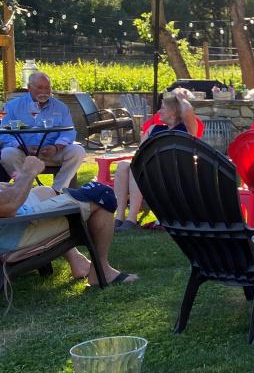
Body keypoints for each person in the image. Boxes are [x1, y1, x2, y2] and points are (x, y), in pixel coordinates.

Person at [1, 155, 137, 286]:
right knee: (101, 194)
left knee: (45, 192)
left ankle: (77, 261)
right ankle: (101, 271)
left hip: (8, 224)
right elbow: (8, 206)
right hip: (13, 234)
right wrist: (28, 172)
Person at [112, 93, 195, 230]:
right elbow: (139, 153)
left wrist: (180, 98)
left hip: (170, 175)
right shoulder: (153, 129)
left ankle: (131, 219)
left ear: (173, 112)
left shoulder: (186, 130)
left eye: (162, 108)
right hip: (148, 170)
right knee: (123, 166)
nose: (158, 111)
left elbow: (189, 112)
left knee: (137, 167)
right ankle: (120, 217)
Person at [1, 72, 85, 191]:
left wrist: (56, 147)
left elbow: (69, 131)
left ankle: (57, 191)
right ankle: (24, 191)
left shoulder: (60, 107)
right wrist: (21, 147)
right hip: (24, 152)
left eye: (47, 87)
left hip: (51, 151)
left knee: (78, 151)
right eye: (40, 87)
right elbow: (4, 133)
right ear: (29, 88)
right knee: (7, 153)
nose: (45, 91)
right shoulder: (14, 106)